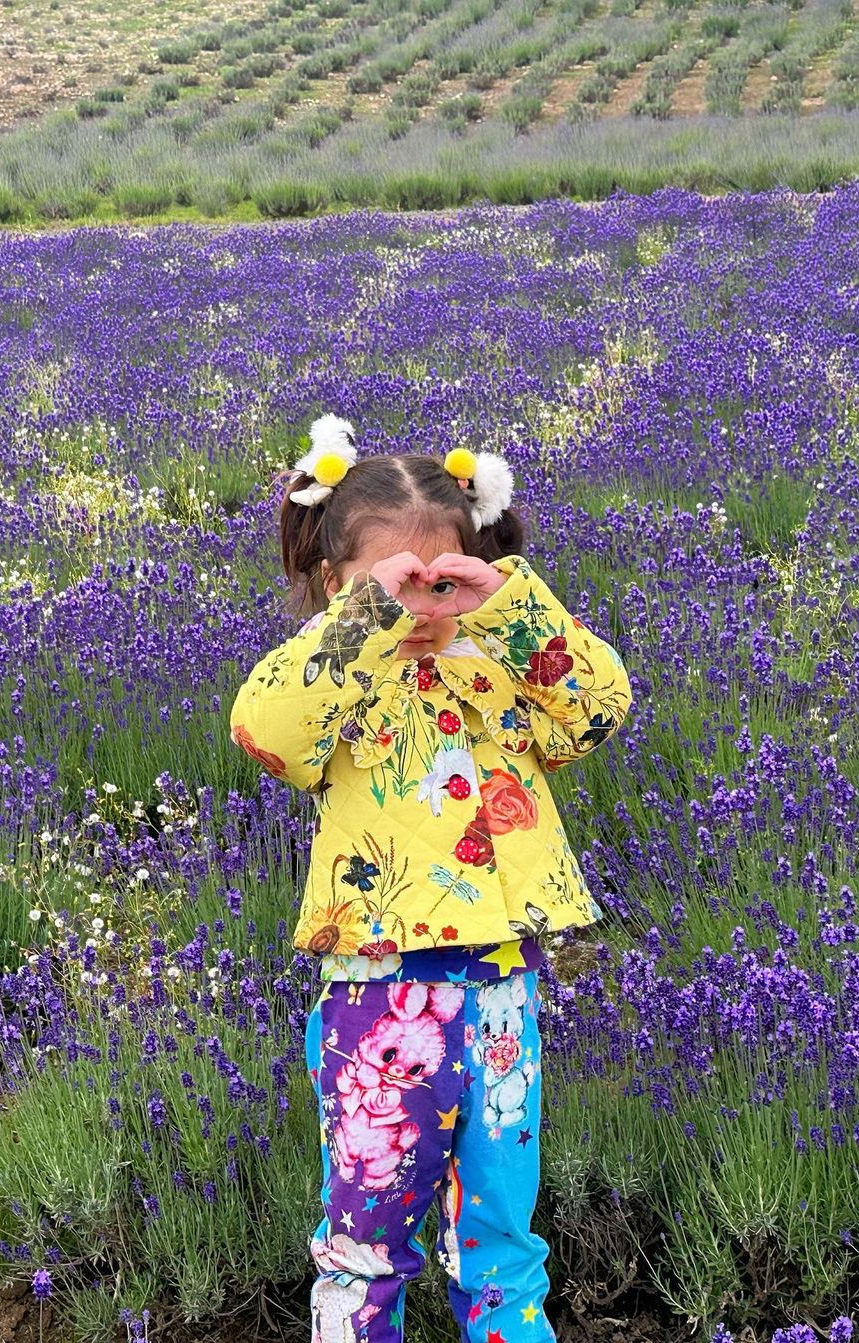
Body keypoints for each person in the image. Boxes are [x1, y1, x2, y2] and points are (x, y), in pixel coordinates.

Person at [229, 413, 633, 1343]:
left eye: (437, 580)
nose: (421, 603)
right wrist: (365, 619)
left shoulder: (501, 673)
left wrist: (504, 604)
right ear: (335, 583)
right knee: (366, 1248)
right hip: (378, 998)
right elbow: (267, 732)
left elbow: (602, 708)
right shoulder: (334, 680)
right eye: (394, 583)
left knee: (499, 1243)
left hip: (501, 990)